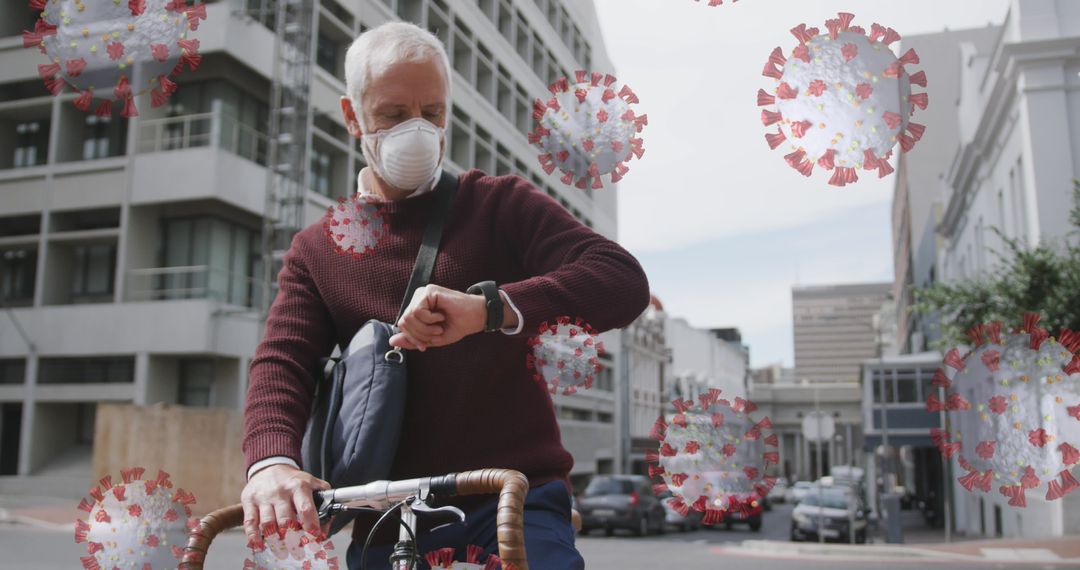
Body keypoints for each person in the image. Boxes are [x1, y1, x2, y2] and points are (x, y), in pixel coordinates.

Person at [240, 21, 650, 569]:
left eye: (432, 113)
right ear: (351, 115)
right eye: (392, 114)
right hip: (387, 516)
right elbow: (281, 362)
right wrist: (270, 462)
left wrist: (489, 308)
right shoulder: (317, 249)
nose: (417, 130)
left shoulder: (500, 205)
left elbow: (622, 280)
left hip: (511, 501)